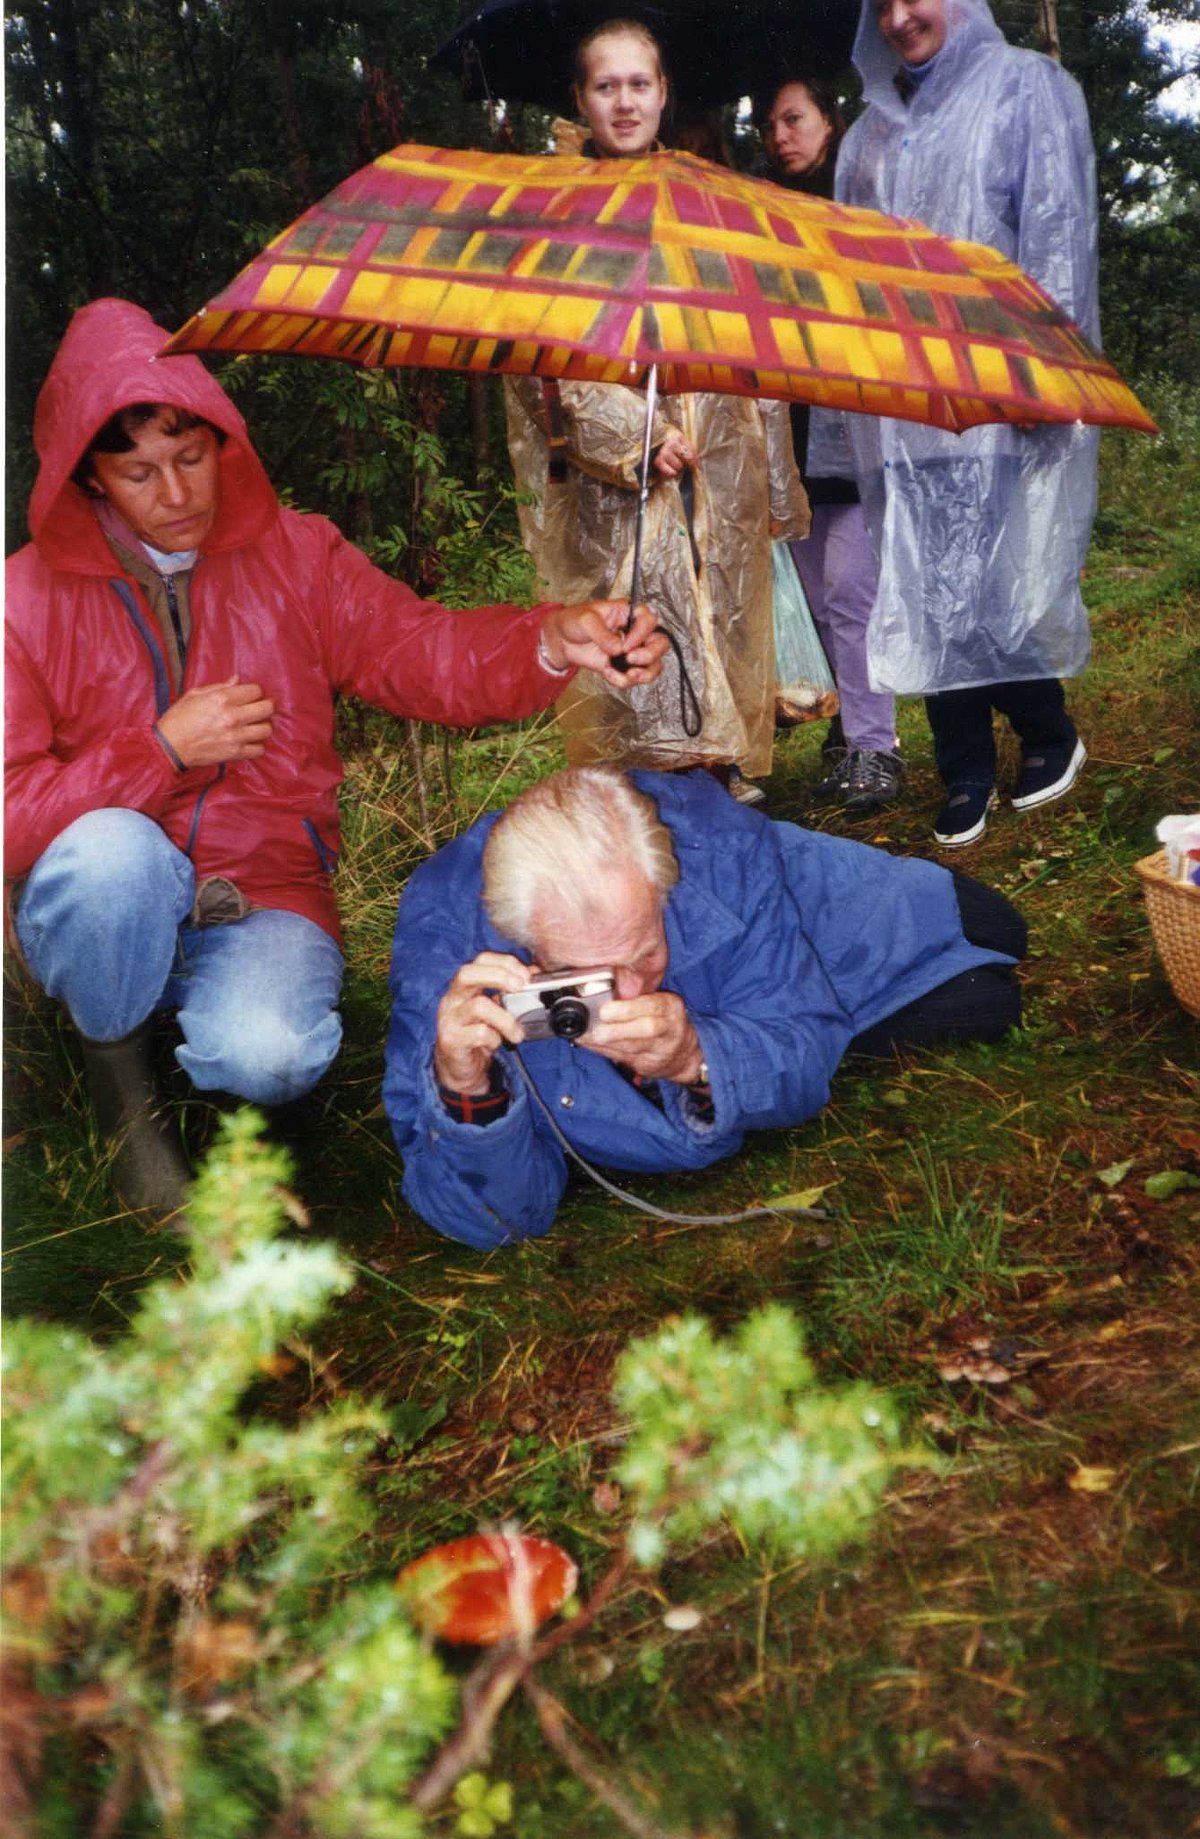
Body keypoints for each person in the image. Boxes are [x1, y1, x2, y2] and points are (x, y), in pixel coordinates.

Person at [5, 297, 667, 1217]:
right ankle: (124, 1092)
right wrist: (159, 750)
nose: (180, 492)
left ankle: (196, 1032)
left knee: (269, 1055)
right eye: (141, 472)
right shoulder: (24, 598)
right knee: (110, 853)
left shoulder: (296, 554)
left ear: (221, 440)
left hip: (264, 886)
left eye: (193, 457)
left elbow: (421, 653)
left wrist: (553, 639)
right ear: (89, 483)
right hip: (104, 893)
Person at [383, 763, 1027, 1248]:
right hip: (765, 949)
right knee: (986, 1000)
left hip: (813, 898)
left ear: (664, 892)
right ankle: (808, 1021)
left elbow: (799, 1037)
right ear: (519, 942)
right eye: (580, 974)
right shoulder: (445, 945)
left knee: (996, 928)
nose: (626, 993)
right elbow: (489, 1216)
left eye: (643, 955)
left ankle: (830, 998)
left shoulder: (717, 853)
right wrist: (465, 1087)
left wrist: (697, 1055)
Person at [504, 18, 810, 807]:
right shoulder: (555, 212)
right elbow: (541, 358)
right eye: (606, 87)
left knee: (714, 625)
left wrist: (771, 478)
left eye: (639, 84)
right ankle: (650, 809)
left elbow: (752, 341)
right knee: (635, 651)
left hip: (714, 471)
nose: (625, 102)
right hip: (617, 485)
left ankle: (715, 791)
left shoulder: (704, 199)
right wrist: (633, 436)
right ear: (582, 98)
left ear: (663, 92)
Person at [816, 0, 1099, 847]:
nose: (903, 17)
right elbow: (848, 281)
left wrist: (1049, 372)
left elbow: (1056, 237)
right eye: (885, 3)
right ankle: (964, 767)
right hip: (904, 411)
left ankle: (1049, 731)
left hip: (998, 395)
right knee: (921, 585)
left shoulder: (1024, 91)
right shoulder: (868, 136)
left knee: (992, 583)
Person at [757, 75, 902, 818]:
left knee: (852, 592)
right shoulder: (764, 210)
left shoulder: (860, 196)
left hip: (856, 428)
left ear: (829, 119)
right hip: (793, 436)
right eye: (771, 124)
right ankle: (849, 734)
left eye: (794, 119)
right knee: (819, 598)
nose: (782, 135)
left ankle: (879, 746)